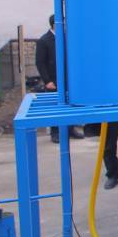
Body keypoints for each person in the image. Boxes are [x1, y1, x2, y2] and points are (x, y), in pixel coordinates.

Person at [35, 14, 82, 143]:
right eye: (63, 22)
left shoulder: (67, 38)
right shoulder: (44, 41)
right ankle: (55, 132)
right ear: (55, 24)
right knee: (55, 106)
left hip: (68, 79)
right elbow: (40, 62)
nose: (65, 25)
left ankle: (70, 129)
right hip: (53, 79)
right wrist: (47, 81)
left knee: (69, 103)